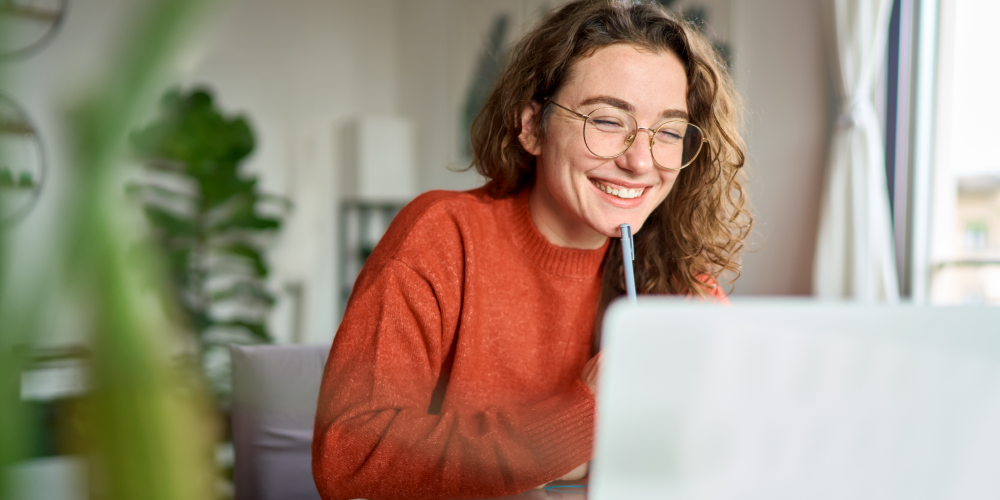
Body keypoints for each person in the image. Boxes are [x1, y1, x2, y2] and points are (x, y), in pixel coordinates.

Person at [312, 1, 751, 499]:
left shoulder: (676, 279)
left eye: (668, 132)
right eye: (607, 121)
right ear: (532, 126)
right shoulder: (442, 236)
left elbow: (732, 448)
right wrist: (584, 415)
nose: (639, 160)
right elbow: (348, 458)